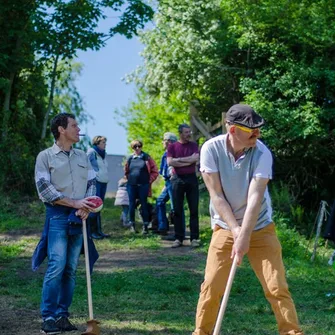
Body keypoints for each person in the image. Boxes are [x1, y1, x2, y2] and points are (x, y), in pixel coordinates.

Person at [193, 104, 304, 335]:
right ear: (232, 130)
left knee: (276, 287)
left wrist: (244, 235)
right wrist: (236, 231)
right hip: (225, 226)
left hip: (261, 227)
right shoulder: (210, 150)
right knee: (212, 286)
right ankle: (201, 332)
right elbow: (216, 196)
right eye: (251, 130)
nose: (257, 134)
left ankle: (292, 332)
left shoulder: (262, 153)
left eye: (258, 129)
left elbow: (255, 198)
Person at [33, 113, 97, 334]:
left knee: (70, 269)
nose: (78, 129)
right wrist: (74, 202)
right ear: (61, 129)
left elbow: (91, 182)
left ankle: (62, 315)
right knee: (56, 266)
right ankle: (48, 317)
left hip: (79, 217)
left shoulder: (83, 156)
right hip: (58, 216)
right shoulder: (45, 156)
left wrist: (85, 206)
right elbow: (44, 188)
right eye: (74, 125)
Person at [124, 140, 159, 234]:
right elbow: (126, 171)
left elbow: (155, 170)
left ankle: (146, 225)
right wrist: (129, 179)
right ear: (132, 148)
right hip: (132, 185)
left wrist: (149, 180)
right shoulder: (130, 158)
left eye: (139, 146)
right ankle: (132, 225)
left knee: (144, 205)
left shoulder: (146, 157)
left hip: (143, 185)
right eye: (135, 147)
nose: (137, 148)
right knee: (131, 205)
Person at [155, 132, 185, 235]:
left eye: (164, 140)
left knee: (176, 207)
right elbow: (164, 171)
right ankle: (163, 226)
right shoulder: (166, 154)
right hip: (168, 182)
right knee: (160, 201)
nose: (163, 142)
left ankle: (179, 233)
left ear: (169, 142)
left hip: (174, 181)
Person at [87, 136, 110, 239]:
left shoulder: (103, 154)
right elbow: (85, 164)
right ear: (97, 143)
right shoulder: (92, 152)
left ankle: (99, 231)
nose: (105, 144)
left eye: (105, 142)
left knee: (99, 207)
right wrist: (93, 175)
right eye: (103, 142)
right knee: (94, 207)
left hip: (103, 182)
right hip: (96, 182)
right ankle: (92, 232)